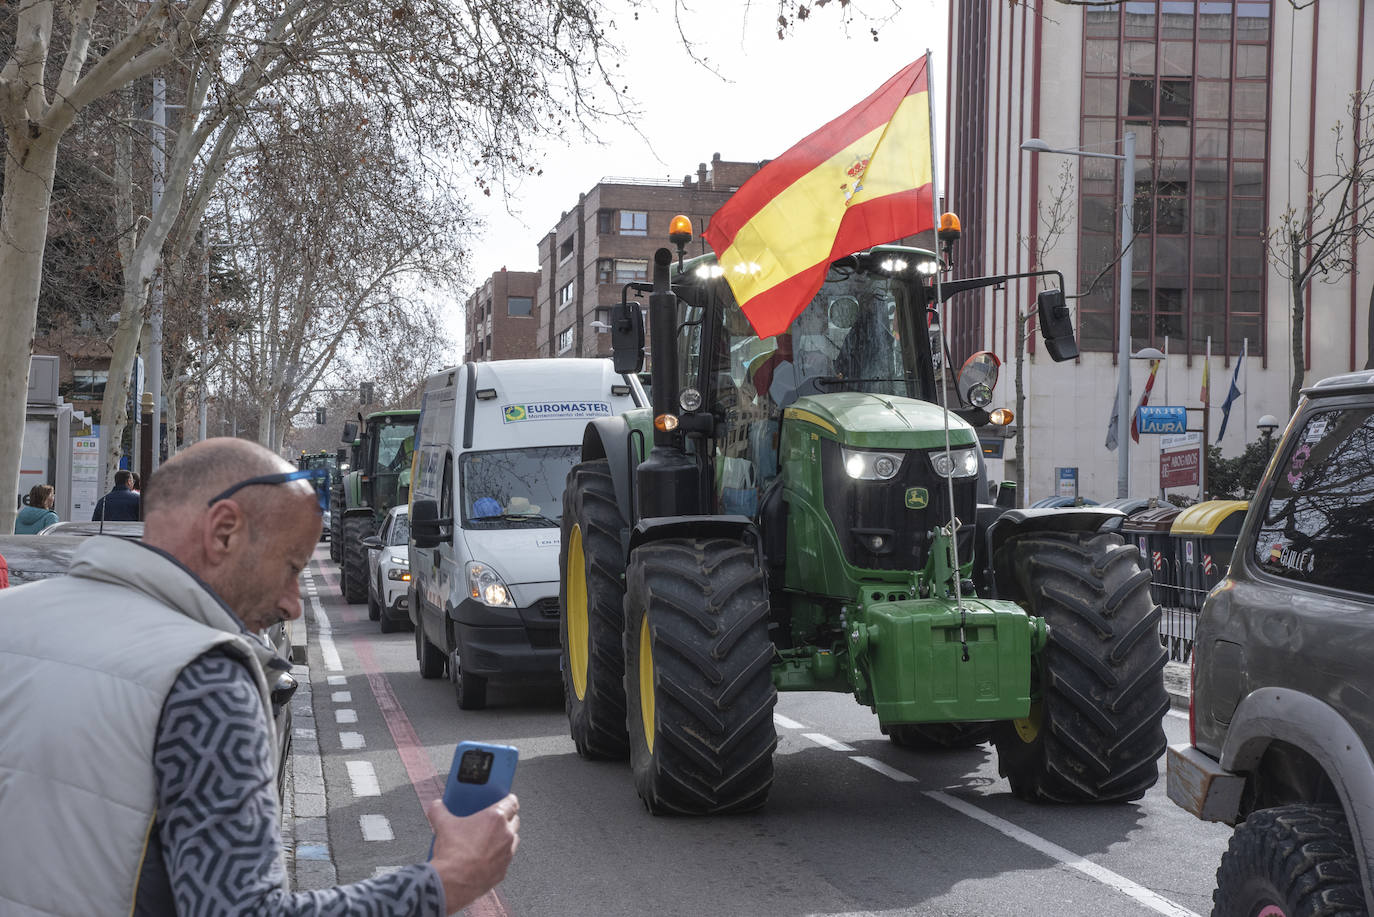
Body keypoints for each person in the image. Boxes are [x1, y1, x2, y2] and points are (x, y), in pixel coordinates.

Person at [0, 438, 520, 915]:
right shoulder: (205, 676)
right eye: (292, 567)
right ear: (224, 531)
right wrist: (442, 884)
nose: (292, 604)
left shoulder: (11, 616)